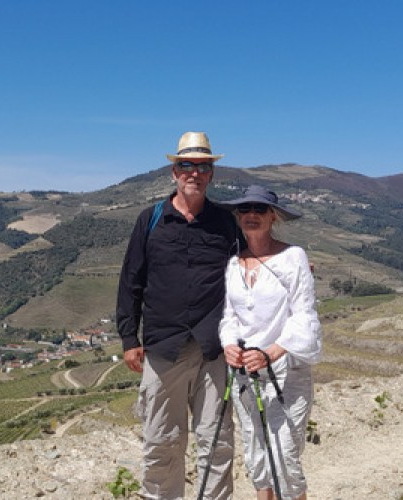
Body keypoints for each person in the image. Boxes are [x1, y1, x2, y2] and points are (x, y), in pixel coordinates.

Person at [116, 131, 242, 499]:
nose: (194, 173)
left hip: (212, 350)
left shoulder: (226, 222)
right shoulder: (151, 219)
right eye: (187, 165)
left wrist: (288, 265)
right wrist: (129, 338)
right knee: (161, 441)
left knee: (217, 442)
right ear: (174, 171)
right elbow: (131, 280)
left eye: (202, 167)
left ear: (211, 174)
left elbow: (249, 268)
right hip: (163, 347)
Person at [216, 185, 322, 500]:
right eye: (245, 209)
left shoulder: (293, 257)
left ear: (273, 216)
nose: (251, 214)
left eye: (259, 209)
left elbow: (304, 314)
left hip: (286, 372)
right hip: (246, 374)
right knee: (256, 449)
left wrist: (272, 352)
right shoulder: (233, 263)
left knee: (284, 454)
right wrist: (228, 344)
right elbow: (229, 316)